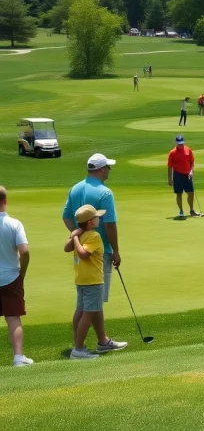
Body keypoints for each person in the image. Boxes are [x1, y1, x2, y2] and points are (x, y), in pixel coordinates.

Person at [65, 205, 128, 359]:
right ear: (90, 223)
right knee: (87, 315)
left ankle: (87, 345)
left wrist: (75, 236)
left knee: (81, 312)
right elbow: (83, 254)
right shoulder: (93, 236)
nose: (99, 218)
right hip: (92, 281)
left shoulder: (81, 235)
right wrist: (74, 237)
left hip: (82, 280)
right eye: (96, 217)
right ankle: (78, 349)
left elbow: (67, 248)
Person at [63, 154, 121, 311]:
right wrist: (115, 251)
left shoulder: (75, 188)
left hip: (81, 250)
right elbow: (109, 224)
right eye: (108, 167)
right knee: (94, 301)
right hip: (99, 251)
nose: (109, 170)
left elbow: (66, 217)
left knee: (84, 301)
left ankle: (101, 336)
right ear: (102, 170)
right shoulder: (105, 193)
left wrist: (80, 234)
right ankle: (92, 336)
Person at [0, 186, 33, 366]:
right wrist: (22, 273)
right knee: (13, 318)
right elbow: (25, 252)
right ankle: (18, 357)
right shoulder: (14, 224)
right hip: (11, 277)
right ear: (5, 201)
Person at [167, 136, 201, 218]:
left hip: (187, 175)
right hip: (177, 175)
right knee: (179, 194)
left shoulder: (188, 150)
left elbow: (192, 161)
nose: (180, 145)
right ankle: (181, 211)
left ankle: (192, 210)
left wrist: (191, 171)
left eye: (182, 143)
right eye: (179, 144)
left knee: (191, 193)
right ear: (176, 143)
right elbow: (170, 166)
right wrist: (170, 178)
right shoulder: (172, 153)